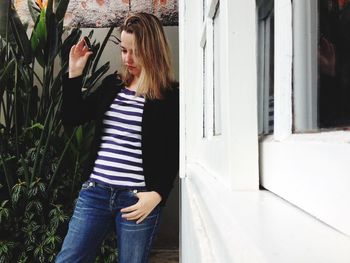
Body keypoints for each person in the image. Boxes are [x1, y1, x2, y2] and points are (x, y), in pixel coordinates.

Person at [55, 12, 179, 263]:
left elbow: (176, 150)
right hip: (95, 192)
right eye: (124, 50)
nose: (127, 58)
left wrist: (158, 195)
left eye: (136, 51)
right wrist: (74, 72)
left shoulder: (170, 98)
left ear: (153, 50)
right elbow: (72, 117)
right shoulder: (114, 86)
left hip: (137, 200)